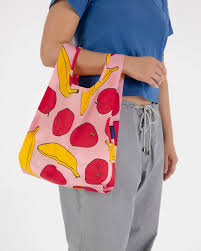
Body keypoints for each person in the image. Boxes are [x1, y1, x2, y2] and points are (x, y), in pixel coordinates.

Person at [40, 0, 178, 250]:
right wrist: (124, 63)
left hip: (151, 126)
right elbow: (50, 51)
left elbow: (159, 69)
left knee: (139, 242)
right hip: (101, 122)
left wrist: (168, 139)